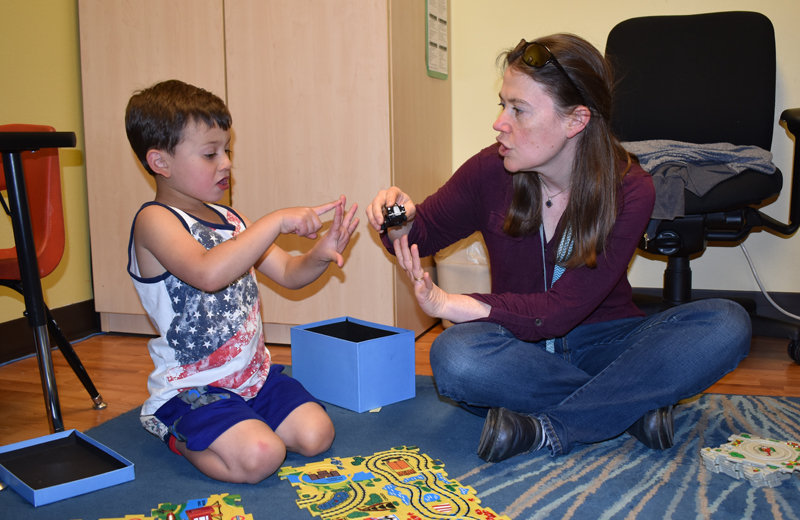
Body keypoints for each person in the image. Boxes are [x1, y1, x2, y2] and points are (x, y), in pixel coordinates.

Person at [366, 34, 750, 462]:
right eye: (502, 104)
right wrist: (398, 216)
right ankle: (629, 406)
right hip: (522, 351)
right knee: (456, 356)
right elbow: (420, 236)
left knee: (727, 321)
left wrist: (455, 303)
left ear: (576, 121)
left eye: (518, 110)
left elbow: (559, 311)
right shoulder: (489, 170)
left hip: (605, 341)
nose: (499, 123)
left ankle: (549, 427)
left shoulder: (629, 188)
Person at [125, 79, 359, 483]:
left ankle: (241, 419)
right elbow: (207, 272)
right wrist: (276, 220)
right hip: (193, 389)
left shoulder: (233, 221)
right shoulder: (154, 221)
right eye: (211, 153)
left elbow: (289, 273)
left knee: (317, 434)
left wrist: (321, 254)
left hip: (254, 376)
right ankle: (172, 430)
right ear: (160, 163)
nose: (227, 163)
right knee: (261, 457)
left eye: (227, 150)